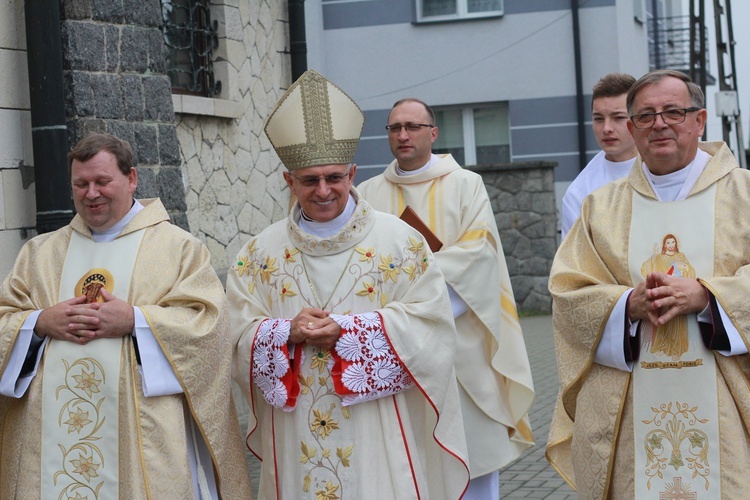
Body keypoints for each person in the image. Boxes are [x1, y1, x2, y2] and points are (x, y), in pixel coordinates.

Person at [227, 70, 469, 499]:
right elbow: (234, 333)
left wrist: (353, 332)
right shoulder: (258, 255)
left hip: (374, 424)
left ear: (353, 173)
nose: (323, 190)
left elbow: (432, 325)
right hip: (295, 426)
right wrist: (285, 332)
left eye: (334, 177)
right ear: (289, 181)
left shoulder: (401, 243)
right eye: (309, 180)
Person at [0, 133, 253, 498]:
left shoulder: (178, 248)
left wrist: (136, 321)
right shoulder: (40, 254)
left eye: (102, 182)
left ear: (131, 178)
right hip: (48, 440)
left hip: (142, 439)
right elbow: (6, 317)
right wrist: (39, 324)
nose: (91, 194)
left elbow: (209, 325)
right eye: (81, 184)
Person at [547, 69, 750, 498]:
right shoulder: (600, 208)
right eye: (644, 116)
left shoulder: (744, 193)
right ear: (633, 130)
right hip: (633, 401)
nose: (659, 124)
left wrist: (708, 296)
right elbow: (568, 294)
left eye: (673, 112)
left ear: (700, 120)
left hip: (727, 399)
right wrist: (625, 305)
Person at [358, 98, 535, 498]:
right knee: (409, 460)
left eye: (413, 126)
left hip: (460, 347)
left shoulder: (464, 184)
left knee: (470, 455)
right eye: (394, 128)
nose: (403, 135)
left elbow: (477, 256)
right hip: (396, 348)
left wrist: (411, 292)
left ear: (433, 133)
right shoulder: (368, 193)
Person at [560, 73, 638, 239]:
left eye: (618, 117)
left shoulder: (665, 168)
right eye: (598, 119)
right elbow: (573, 261)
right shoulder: (580, 193)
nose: (606, 128)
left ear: (638, 118)